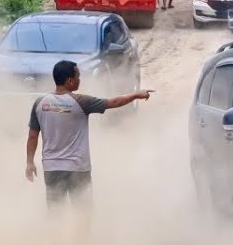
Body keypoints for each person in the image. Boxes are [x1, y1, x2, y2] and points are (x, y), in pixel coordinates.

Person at [25, 61, 151, 210]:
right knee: (83, 213)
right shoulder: (81, 102)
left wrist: (30, 162)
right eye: (78, 76)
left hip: (52, 169)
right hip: (78, 169)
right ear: (70, 81)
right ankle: (81, 234)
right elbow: (114, 102)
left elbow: (33, 136)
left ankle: (55, 233)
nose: (80, 79)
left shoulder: (40, 103)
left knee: (55, 212)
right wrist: (136, 94)